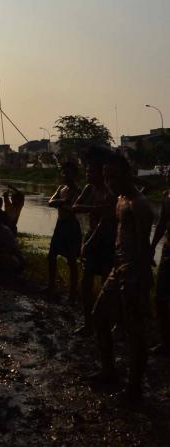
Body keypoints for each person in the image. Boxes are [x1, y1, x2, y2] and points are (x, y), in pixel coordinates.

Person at [92, 155, 154, 400]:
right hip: (116, 271)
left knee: (134, 331)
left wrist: (139, 282)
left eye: (114, 177)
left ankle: (134, 388)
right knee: (99, 317)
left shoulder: (140, 205)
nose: (110, 182)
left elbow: (143, 249)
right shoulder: (119, 200)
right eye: (106, 177)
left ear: (127, 174)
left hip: (133, 275)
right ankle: (109, 371)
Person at [72, 147, 116, 335]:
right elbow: (75, 206)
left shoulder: (110, 191)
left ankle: (114, 324)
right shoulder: (90, 188)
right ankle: (89, 323)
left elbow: (106, 221)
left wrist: (88, 243)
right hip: (92, 236)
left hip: (108, 241)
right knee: (87, 283)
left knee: (109, 286)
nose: (87, 173)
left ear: (101, 171)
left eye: (91, 170)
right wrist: (95, 208)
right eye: (87, 170)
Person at [46, 161, 82, 301]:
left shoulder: (78, 190)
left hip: (71, 226)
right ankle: (51, 286)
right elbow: (50, 202)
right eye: (64, 172)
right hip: (60, 224)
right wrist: (63, 202)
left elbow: (73, 208)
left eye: (69, 173)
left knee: (71, 260)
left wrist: (60, 203)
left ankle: (72, 293)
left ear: (74, 174)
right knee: (51, 256)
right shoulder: (62, 187)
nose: (66, 175)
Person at [150, 166, 170, 356]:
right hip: (167, 252)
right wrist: (152, 247)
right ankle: (165, 341)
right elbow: (161, 224)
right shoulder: (166, 197)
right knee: (160, 298)